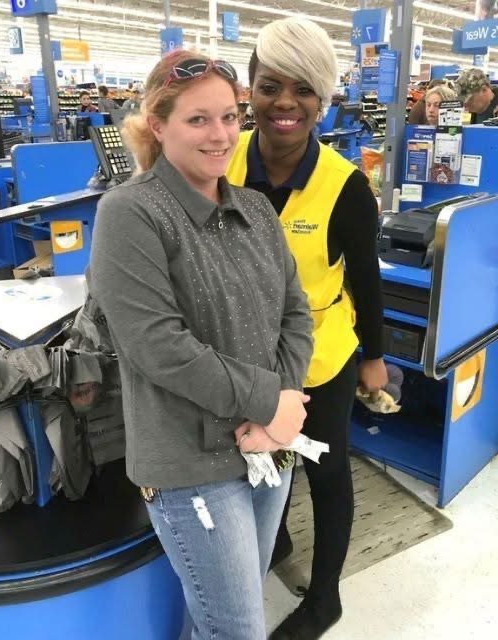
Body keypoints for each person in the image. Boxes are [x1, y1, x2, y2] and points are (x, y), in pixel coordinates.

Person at [88, 49, 314, 640]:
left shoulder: (255, 208)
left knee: (222, 614)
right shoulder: (130, 213)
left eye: (230, 117)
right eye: (198, 119)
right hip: (193, 467)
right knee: (236, 628)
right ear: (157, 125)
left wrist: (280, 410)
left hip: (268, 448)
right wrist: (269, 403)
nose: (221, 136)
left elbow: (295, 312)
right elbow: (157, 345)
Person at [226, 17, 387, 639]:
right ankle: (278, 540)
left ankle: (325, 599)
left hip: (321, 357)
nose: (284, 103)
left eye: (303, 89)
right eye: (270, 87)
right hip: (242, 356)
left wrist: (374, 356)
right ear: (250, 90)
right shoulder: (222, 156)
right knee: (257, 456)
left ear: (323, 99)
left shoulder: (346, 187)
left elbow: (365, 280)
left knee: (325, 469)